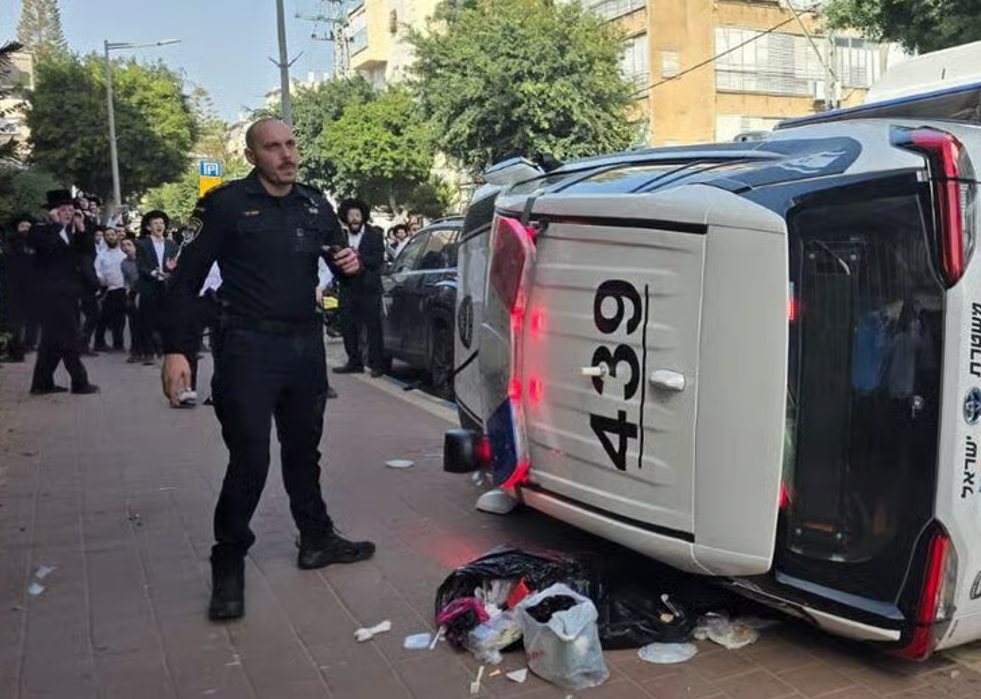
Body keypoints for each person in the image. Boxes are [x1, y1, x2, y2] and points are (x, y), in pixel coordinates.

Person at [160, 117, 375, 622]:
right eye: (273, 147)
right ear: (253, 155)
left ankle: (316, 538)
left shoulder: (314, 203)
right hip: (247, 349)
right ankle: (228, 561)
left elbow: (343, 264)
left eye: (291, 144)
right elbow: (185, 279)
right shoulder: (224, 205)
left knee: (304, 451)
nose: (287, 155)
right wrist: (177, 351)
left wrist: (351, 267)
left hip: (304, 348)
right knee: (250, 461)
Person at [28, 190, 99, 395]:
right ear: (53, 212)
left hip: (68, 293)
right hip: (50, 294)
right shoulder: (40, 231)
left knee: (52, 340)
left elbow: (87, 252)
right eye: (63, 210)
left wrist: (82, 227)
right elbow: (46, 249)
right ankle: (79, 381)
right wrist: (55, 224)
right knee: (70, 336)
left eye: (71, 210)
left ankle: (41, 383)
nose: (68, 213)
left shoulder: (71, 233)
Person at [334, 198, 386, 377]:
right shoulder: (340, 236)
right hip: (348, 288)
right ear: (345, 217)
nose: (354, 219)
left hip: (369, 288)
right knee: (348, 326)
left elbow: (377, 260)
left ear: (363, 216)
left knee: (373, 327)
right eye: (351, 215)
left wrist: (358, 259)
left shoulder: (375, 235)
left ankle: (377, 364)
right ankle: (354, 361)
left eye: (357, 215)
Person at [136, 210, 178, 364]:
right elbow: (141, 266)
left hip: (166, 286)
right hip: (149, 286)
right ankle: (148, 352)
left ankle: (166, 349)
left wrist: (170, 270)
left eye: (161, 223)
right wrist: (155, 273)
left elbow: (175, 264)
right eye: (155, 223)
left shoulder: (172, 245)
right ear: (148, 227)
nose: (159, 226)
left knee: (167, 319)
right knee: (147, 320)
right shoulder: (142, 244)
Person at [1, 215, 37, 363]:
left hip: (31, 286)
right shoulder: (11, 244)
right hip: (12, 286)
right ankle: (15, 349)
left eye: (28, 227)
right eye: (23, 227)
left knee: (30, 318)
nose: (25, 230)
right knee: (13, 320)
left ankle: (27, 345)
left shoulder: (35, 245)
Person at [94, 228, 128, 352]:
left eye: (112, 234)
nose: (110, 237)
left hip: (122, 289)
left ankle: (118, 344)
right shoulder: (101, 255)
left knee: (120, 319)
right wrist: (102, 280)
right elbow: (96, 270)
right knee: (103, 317)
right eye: (107, 235)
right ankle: (99, 343)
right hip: (107, 289)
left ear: (117, 236)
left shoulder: (123, 253)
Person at [120, 238, 147, 363]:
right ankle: (136, 351)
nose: (126, 247)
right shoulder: (124, 263)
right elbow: (126, 280)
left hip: (145, 292)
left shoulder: (144, 261)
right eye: (124, 245)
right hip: (132, 292)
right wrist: (127, 293)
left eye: (129, 244)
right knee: (134, 324)